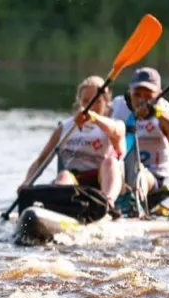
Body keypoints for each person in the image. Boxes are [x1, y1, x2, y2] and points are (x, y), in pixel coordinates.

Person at [20, 75, 126, 207]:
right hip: (76, 182)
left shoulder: (116, 125)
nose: (91, 106)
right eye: (86, 101)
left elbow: (115, 131)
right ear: (80, 102)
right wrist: (26, 182)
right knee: (64, 175)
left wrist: (94, 117)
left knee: (110, 162)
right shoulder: (64, 128)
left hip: (104, 181)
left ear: (106, 102)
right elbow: (41, 161)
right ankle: (60, 207)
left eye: (97, 101)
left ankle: (107, 204)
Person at [111, 67, 169, 200]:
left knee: (139, 174)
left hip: (153, 176)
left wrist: (157, 113)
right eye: (137, 94)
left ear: (158, 94)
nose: (142, 100)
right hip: (122, 170)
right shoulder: (117, 106)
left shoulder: (163, 109)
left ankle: (133, 205)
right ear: (129, 92)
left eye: (148, 96)